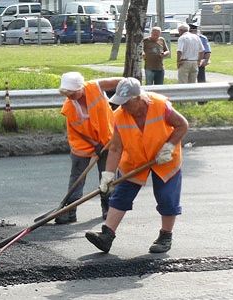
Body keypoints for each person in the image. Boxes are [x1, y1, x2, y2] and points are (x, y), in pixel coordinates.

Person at [86, 77, 189, 254]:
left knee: (167, 198)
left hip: (163, 158)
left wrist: (169, 146)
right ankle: (107, 236)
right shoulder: (119, 116)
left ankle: (165, 236)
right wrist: (108, 175)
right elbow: (116, 148)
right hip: (135, 160)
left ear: (138, 98)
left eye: (126, 103)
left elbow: (182, 125)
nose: (123, 107)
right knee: (120, 195)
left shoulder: (160, 106)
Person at [55, 72, 122, 224]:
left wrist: (125, 97)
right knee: (77, 178)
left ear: (81, 88)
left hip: (107, 139)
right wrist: (94, 144)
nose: (69, 96)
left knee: (107, 175)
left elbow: (122, 81)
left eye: (72, 93)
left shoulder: (95, 87)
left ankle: (108, 207)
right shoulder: (69, 107)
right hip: (82, 143)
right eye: (67, 93)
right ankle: (70, 210)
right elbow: (77, 129)